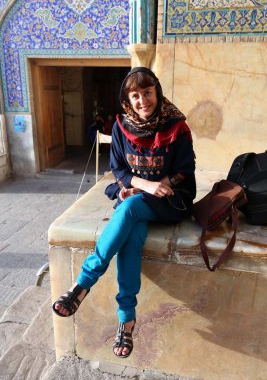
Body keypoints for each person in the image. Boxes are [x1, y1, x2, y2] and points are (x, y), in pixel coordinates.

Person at [52, 67, 196, 358]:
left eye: (147, 92)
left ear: (156, 91)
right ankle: (126, 319)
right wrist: (137, 187)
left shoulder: (176, 126)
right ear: (127, 100)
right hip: (139, 198)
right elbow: (118, 169)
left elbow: (185, 170)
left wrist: (159, 186)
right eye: (135, 95)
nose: (143, 100)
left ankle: (83, 283)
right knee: (131, 234)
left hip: (170, 199)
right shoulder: (121, 126)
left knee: (130, 209)